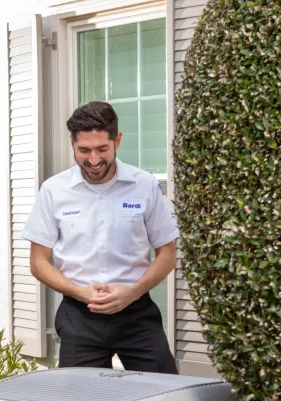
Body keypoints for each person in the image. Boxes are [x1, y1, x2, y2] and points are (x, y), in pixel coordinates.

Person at [22, 101, 179, 374]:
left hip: (137, 313)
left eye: (102, 149)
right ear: (72, 144)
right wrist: (80, 293)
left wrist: (132, 292)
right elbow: (38, 262)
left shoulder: (145, 185)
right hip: (79, 315)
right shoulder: (53, 190)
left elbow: (167, 254)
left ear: (117, 140)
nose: (93, 160)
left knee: (164, 394)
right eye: (84, 150)